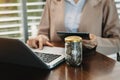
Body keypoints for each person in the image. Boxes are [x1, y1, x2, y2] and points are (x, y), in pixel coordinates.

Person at [27, 0, 120, 55]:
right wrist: (41, 38)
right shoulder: (52, 1)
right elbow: (43, 33)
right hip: (58, 62)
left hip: (93, 65)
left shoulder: (106, 1)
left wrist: (96, 42)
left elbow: (117, 41)